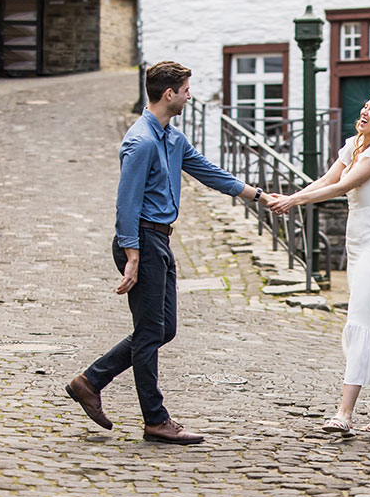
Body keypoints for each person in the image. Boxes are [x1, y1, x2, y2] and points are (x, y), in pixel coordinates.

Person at [65, 61, 273, 445]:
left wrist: (258, 196)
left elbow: (209, 172)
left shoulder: (171, 138)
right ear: (169, 94)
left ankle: (90, 380)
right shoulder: (140, 140)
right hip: (142, 240)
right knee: (148, 334)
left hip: (160, 239)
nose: (190, 95)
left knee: (164, 329)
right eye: (186, 89)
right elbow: (126, 203)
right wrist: (131, 255)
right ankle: (155, 420)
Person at [270, 93, 370, 433]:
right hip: (357, 246)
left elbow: (345, 186)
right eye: (365, 107)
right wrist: (294, 196)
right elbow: (327, 180)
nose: (364, 112)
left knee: (360, 321)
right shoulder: (355, 144)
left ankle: (344, 413)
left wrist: (294, 201)